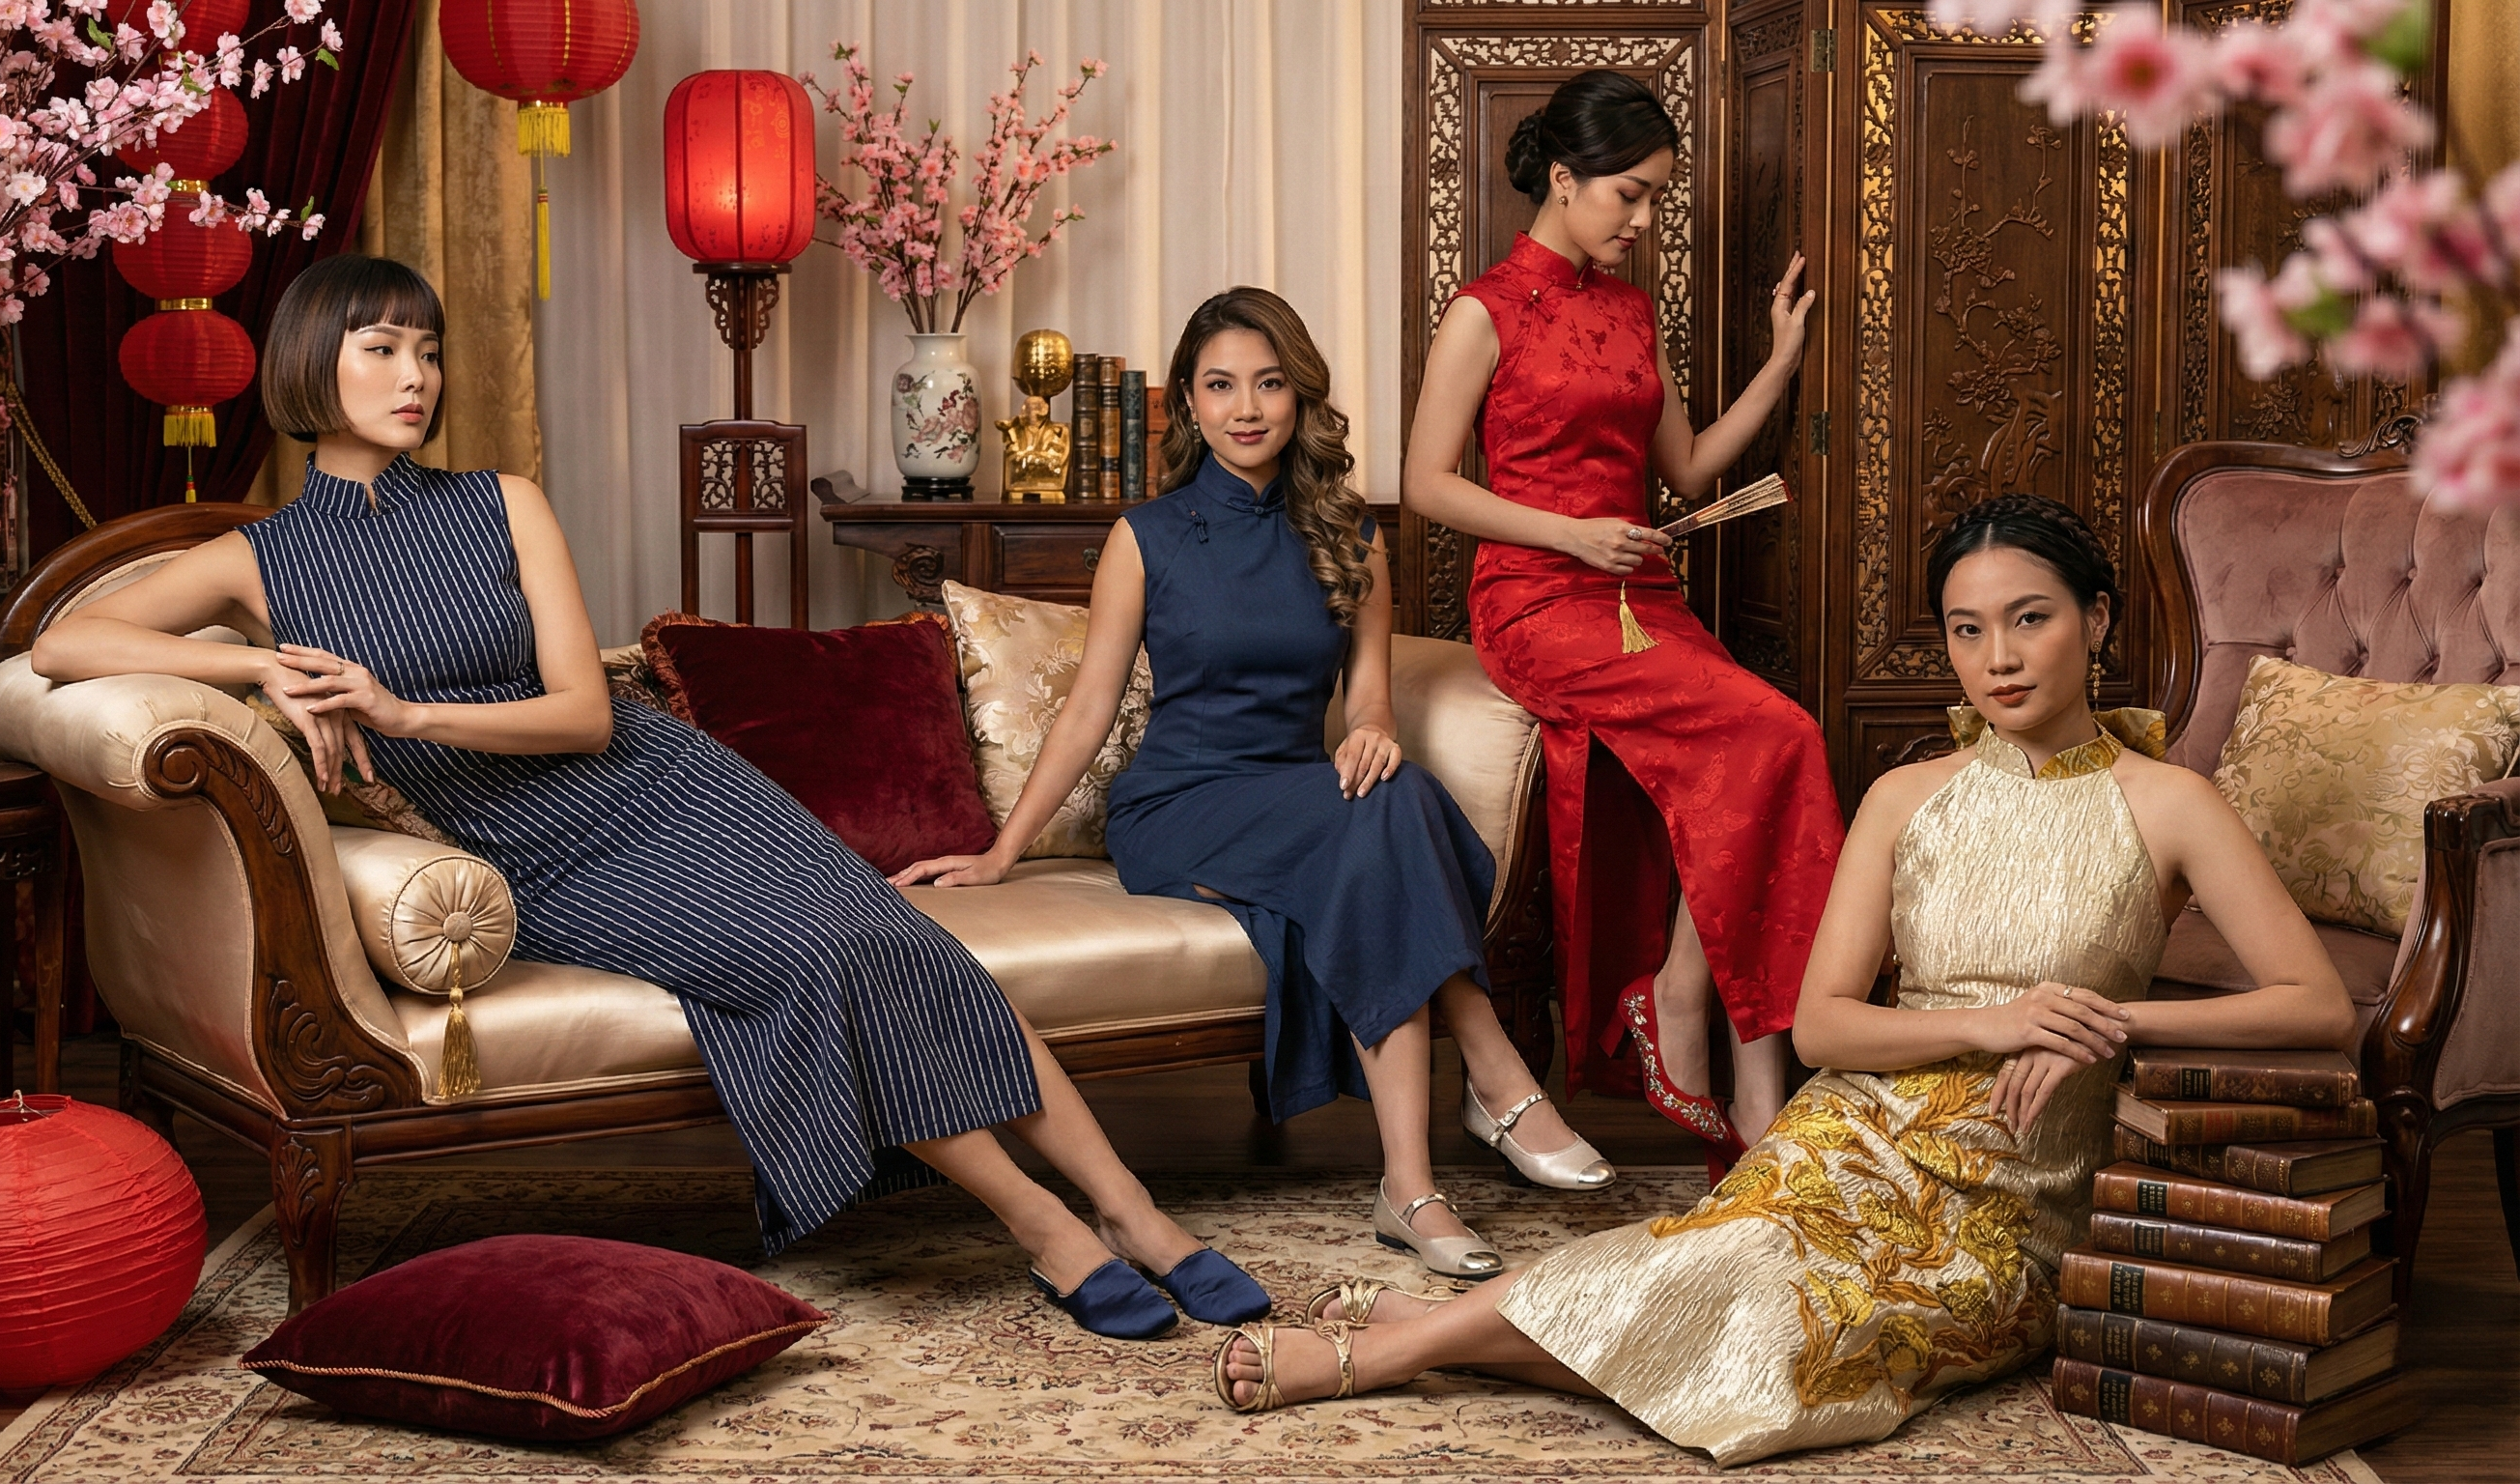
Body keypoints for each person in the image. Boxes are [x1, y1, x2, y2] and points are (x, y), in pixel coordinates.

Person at [27, 254, 1268, 1342]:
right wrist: (256, 663)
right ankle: (1048, 1227)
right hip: (536, 848)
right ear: (313, 366)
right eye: (385, 349)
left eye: (431, 351)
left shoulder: (498, 502)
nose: (418, 376)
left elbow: (577, 707)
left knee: (901, 939)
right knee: (814, 960)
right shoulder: (260, 560)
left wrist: (400, 715)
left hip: (656, 779)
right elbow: (67, 642)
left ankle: (1139, 1216)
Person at [1203, 493, 2360, 1467]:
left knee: (1786, 1327)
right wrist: (2003, 1019)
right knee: (1725, 1251)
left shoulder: (2168, 802)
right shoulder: (1910, 796)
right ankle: (1396, 1352)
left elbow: (2315, 1005)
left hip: (2016, 1190)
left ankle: (1437, 1331)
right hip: (1858, 1132)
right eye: (1965, 631)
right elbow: (1824, 1026)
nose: (1997, 659)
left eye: (2029, 621)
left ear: (2095, 620)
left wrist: (2102, 1026)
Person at [895, 287, 1611, 1280]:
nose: (1246, 408)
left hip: (1298, 801)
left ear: (1299, 398)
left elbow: (1368, 700)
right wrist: (1001, 851)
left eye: (1268, 384)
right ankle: (1491, 1086)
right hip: (1179, 806)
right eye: (1220, 385)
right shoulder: (1143, 537)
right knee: (1382, 826)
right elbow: (1091, 705)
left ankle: (1411, 1184)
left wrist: (1370, 734)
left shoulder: (1350, 536)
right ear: (1188, 403)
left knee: (1386, 806)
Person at [1402, 70, 1842, 1166]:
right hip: (1536, 599)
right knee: (1774, 734)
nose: (1643, 222)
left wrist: (1781, 364)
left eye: (1655, 201)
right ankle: (1685, 1011)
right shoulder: (1485, 309)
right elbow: (1423, 482)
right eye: (1630, 196)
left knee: (1776, 745)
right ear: (1563, 176)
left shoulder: (1632, 311)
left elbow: (1685, 470)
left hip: (1640, 597)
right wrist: (1569, 537)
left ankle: (1746, 1075)